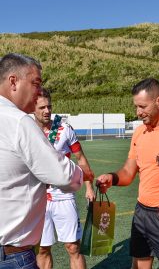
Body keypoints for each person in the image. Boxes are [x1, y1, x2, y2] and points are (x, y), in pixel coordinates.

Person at [96, 78, 159, 269]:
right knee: (139, 265)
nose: (138, 112)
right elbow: (128, 172)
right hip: (142, 213)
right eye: (136, 107)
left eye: (142, 106)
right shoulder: (139, 133)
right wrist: (112, 178)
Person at [0, 53, 86, 268]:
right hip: (13, 252)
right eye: (35, 83)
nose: (38, 91)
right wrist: (82, 175)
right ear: (13, 82)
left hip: (53, 205)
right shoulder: (19, 122)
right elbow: (65, 176)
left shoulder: (64, 129)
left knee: (71, 246)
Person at [34, 88, 95, 269]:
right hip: (38, 199)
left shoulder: (64, 129)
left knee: (73, 247)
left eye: (49, 107)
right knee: (42, 249)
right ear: (33, 108)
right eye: (42, 107)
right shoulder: (27, 130)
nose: (47, 111)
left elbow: (81, 159)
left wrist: (89, 187)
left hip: (64, 196)